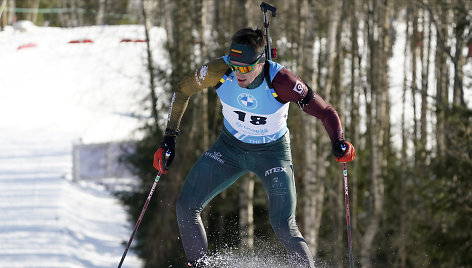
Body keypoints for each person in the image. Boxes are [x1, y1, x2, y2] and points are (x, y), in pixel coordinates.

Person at [153, 27, 355, 267]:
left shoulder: (282, 81)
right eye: (235, 65)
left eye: (246, 67)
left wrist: (339, 141)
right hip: (229, 149)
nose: (239, 72)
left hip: (272, 154)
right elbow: (182, 90)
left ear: (261, 62)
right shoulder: (220, 70)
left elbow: (325, 111)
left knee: (284, 226)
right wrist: (169, 137)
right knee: (186, 207)